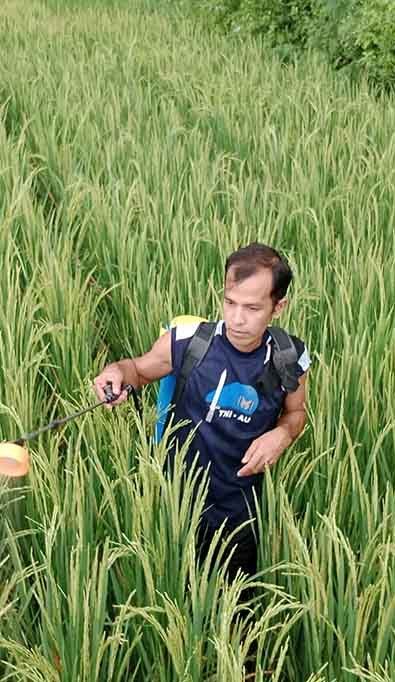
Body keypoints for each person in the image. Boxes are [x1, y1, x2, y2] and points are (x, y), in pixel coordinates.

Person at [91, 243, 311, 610]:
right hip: (174, 505)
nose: (238, 318)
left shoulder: (289, 358)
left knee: (235, 611)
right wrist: (115, 373)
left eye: (253, 308)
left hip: (240, 514)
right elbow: (139, 370)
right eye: (230, 302)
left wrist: (282, 434)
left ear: (278, 307)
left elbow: (296, 413)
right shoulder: (190, 343)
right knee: (173, 602)